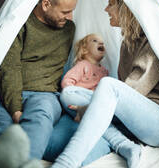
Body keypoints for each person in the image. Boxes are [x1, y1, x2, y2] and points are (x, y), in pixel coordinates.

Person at [50, 0, 159, 168]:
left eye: (111, 4)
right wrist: (94, 108)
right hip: (136, 124)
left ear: (126, 8)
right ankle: (125, 146)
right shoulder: (128, 42)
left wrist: (90, 109)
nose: (106, 9)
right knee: (68, 94)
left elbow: (133, 90)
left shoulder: (154, 40)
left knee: (108, 86)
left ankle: (66, 163)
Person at [0, 0, 112, 168]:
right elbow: (10, 68)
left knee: (39, 120)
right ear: (46, 4)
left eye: (72, 11)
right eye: (65, 11)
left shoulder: (68, 29)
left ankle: (25, 163)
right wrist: (16, 111)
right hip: (1, 92)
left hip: (44, 95)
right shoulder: (18, 24)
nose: (70, 17)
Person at [60, 33, 141, 168]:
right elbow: (67, 83)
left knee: (104, 108)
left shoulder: (105, 71)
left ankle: (126, 145)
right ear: (85, 50)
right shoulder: (83, 65)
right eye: (95, 41)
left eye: (102, 42)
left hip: (101, 101)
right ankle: (125, 145)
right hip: (82, 99)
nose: (101, 43)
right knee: (66, 94)